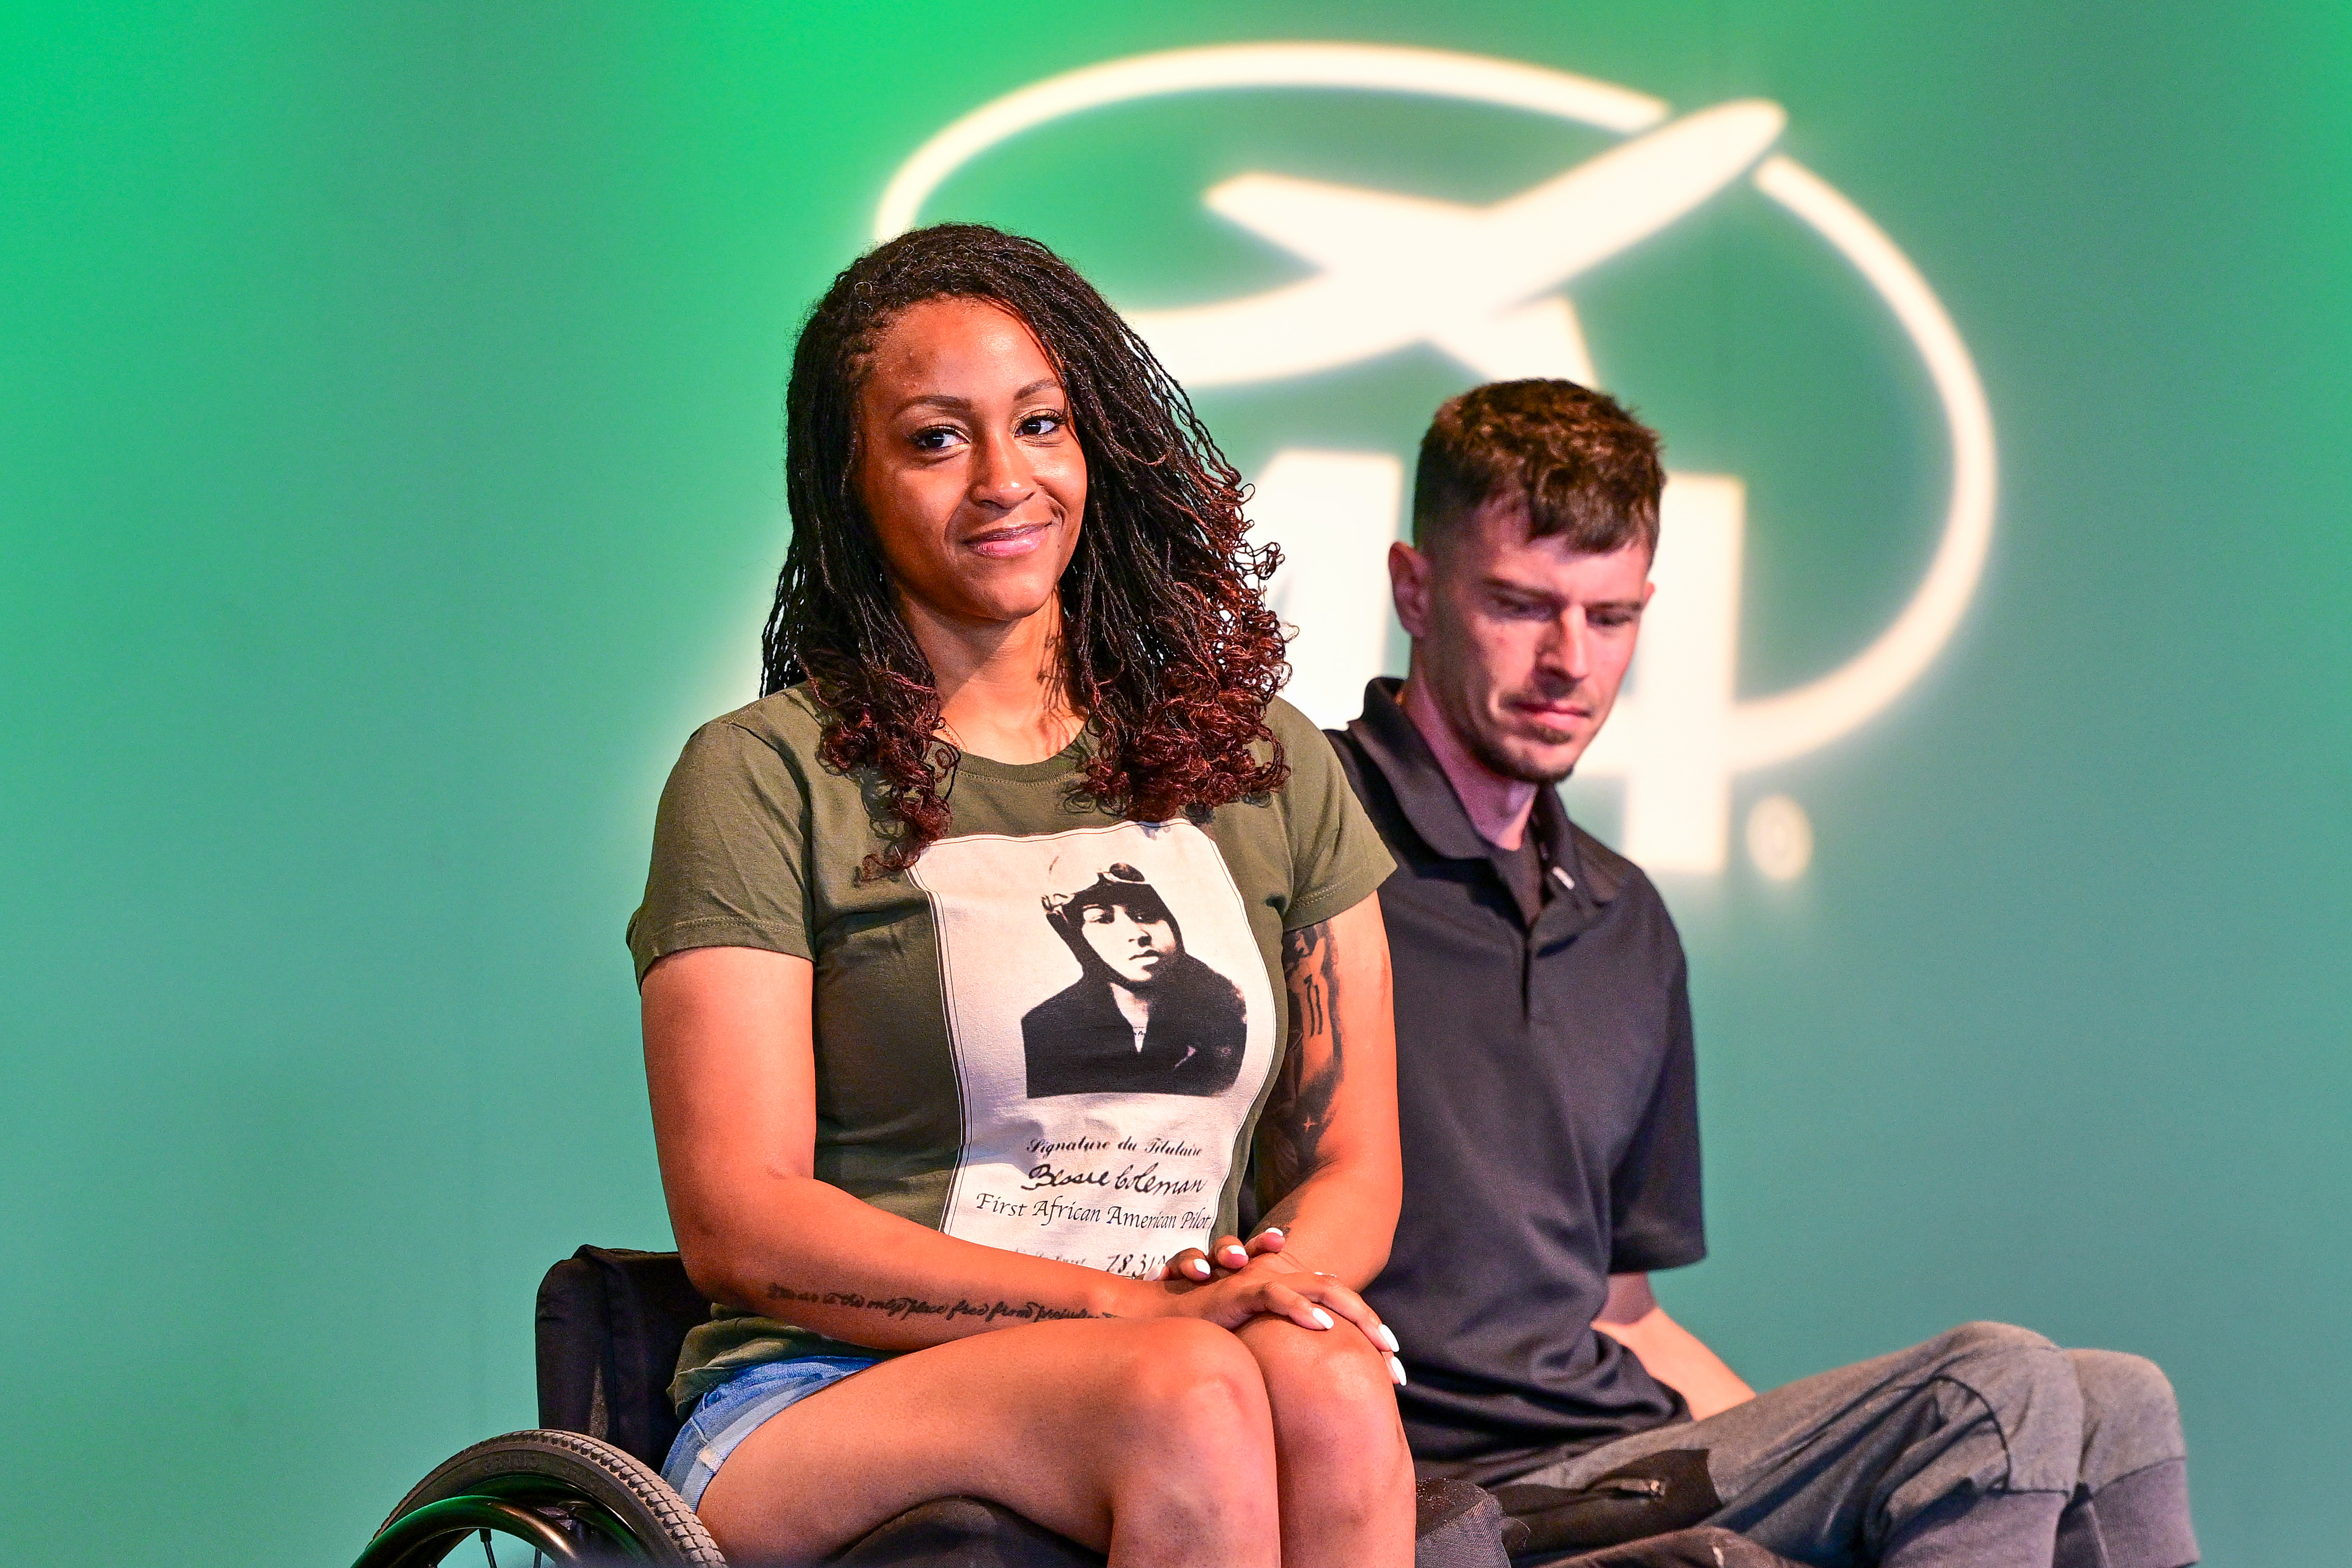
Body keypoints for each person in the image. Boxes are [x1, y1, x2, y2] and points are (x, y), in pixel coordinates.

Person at [1181, 380, 2199, 1567]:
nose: (1568, 660)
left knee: (2114, 1398)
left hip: (1625, 1446)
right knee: (1995, 1384)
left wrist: (1824, 1462)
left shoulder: (1623, 917)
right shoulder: (1305, 836)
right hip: (1436, 1479)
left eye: (1608, 618)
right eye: (1519, 605)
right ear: (1414, 588)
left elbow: (1620, 1311)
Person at [625, 223, 1419, 1568]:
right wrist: (1124, 1317)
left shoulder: (1266, 766)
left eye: (1039, 424)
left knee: (1334, 1386)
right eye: (936, 440)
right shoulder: (761, 777)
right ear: (850, 486)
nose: (1003, 479)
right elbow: (740, 1226)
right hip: (822, 1393)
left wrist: (1275, 1290)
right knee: (1194, 1397)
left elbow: (1353, 1162)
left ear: (1094, 444)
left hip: (1176, 1351)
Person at [1023, 862, 1251, 1098]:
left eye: (1146, 915)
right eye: (1101, 919)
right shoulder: (1046, 1027)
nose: (1139, 934)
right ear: (1076, 935)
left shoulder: (1231, 1014)